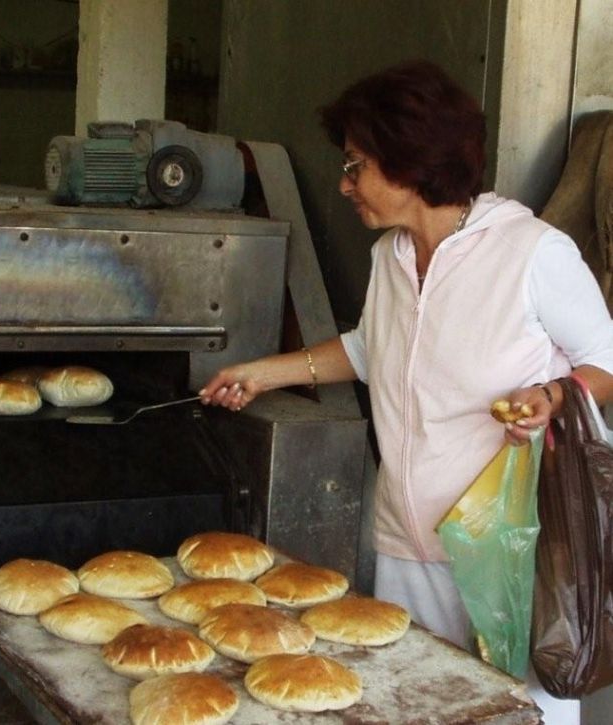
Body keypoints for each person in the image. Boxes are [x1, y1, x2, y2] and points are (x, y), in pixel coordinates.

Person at [199, 60, 613, 721]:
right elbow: (370, 348)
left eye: (356, 165)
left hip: (503, 552)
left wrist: (554, 395)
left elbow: (605, 359)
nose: (344, 184)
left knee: (511, 711)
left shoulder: (532, 251)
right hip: (405, 542)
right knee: (415, 704)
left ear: (411, 161)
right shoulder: (388, 257)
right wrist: (263, 372)